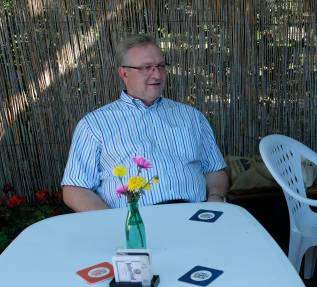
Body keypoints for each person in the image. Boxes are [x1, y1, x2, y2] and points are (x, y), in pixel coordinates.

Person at [62, 34, 229, 211]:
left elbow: (215, 169)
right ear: (124, 73)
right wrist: (113, 224)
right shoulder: (94, 124)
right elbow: (75, 187)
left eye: (161, 66)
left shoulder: (192, 117)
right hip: (135, 222)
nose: (157, 74)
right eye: (146, 67)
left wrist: (216, 198)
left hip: (195, 216)